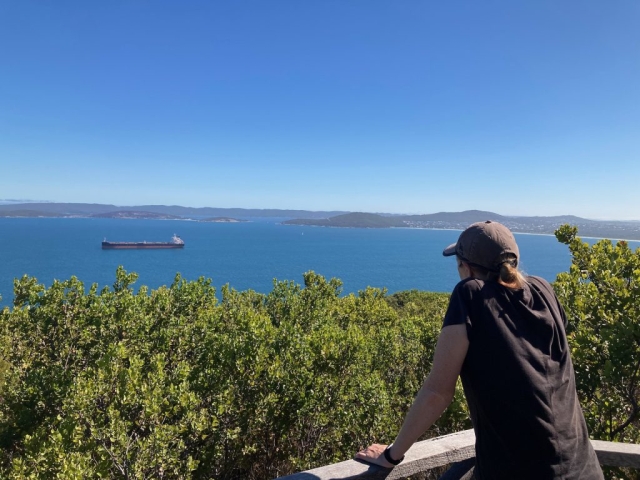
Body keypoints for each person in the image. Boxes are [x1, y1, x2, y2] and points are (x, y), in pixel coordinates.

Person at [356, 220, 604, 479]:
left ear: (466, 267)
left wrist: (391, 455)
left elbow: (437, 392)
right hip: (583, 467)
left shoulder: (470, 294)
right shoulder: (543, 290)